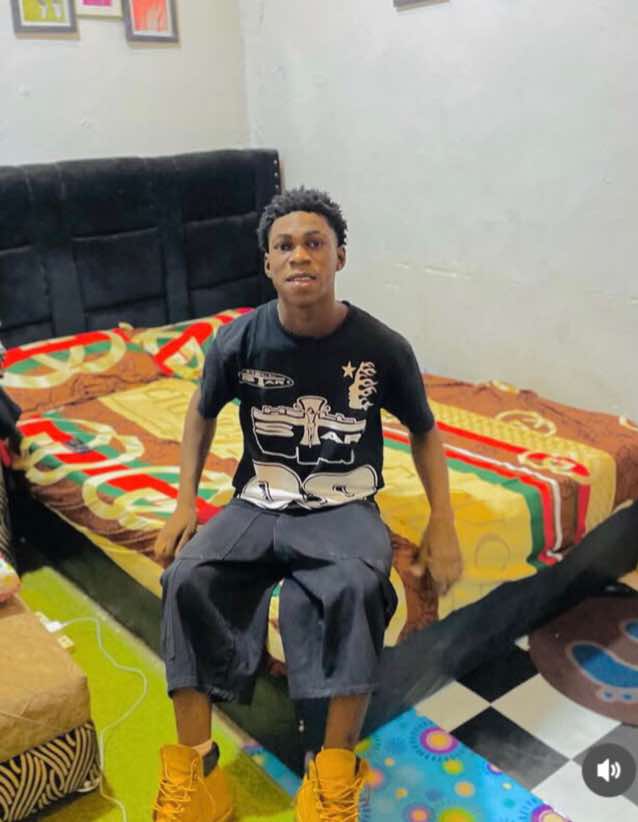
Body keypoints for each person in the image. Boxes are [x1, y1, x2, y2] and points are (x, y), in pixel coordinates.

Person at [152, 187, 463, 822]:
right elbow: (200, 412)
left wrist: (444, 519)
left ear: (339, 257)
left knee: (355, 584)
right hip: (258, 501)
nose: (300, 256)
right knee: (186, 577)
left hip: (343, 504)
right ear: (267, 263)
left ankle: (331, 776)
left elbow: (424, 430)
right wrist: (185, 501)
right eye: (285, 246)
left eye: (315, 243)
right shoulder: (237, 341)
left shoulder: (381, 347)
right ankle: (199, 777)